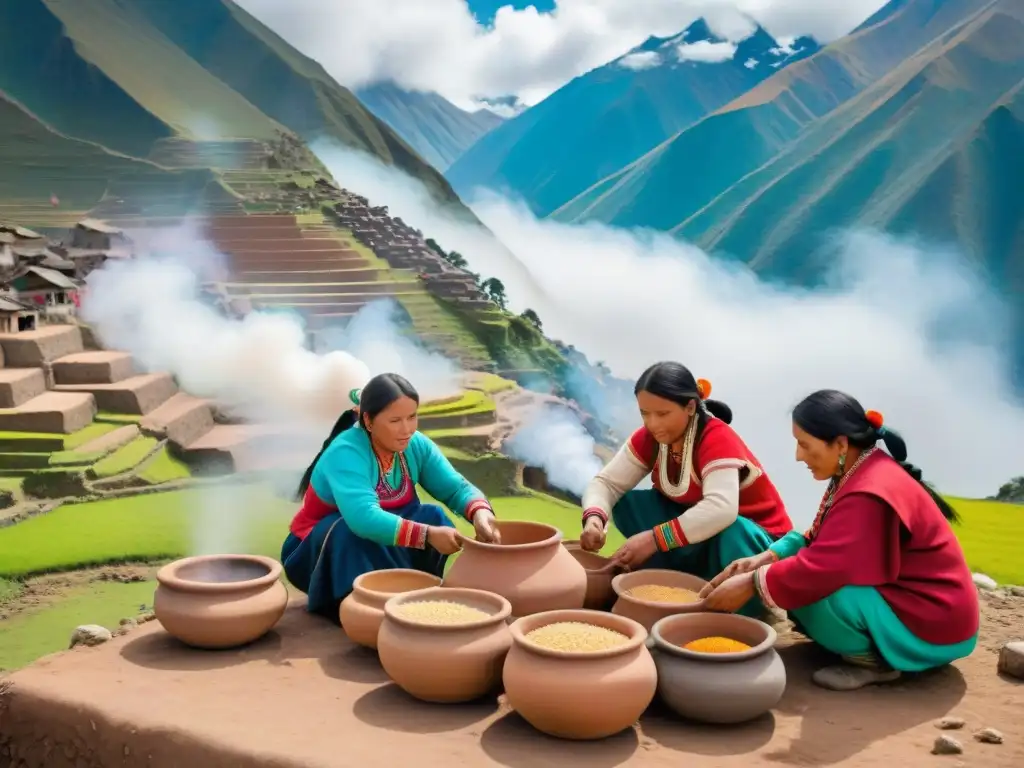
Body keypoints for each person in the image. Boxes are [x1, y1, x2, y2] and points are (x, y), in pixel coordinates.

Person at [700, 389, 980, 691]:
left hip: (935, 626)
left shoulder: (869, 490)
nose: (798, 455)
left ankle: (875, 663)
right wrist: (768, 557)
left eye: (805, 445)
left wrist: (751, 582)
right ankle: (863, 641)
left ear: (841, 443)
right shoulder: (859, 469)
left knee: (815, 593)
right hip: (931, 614)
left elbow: (823, 567)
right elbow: (822, 535)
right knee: (789, 581)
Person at [579, 362, 793, 617]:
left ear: (690, 407)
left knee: (734, 529)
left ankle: (742, 611)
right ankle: (671, 581)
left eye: (663, 413)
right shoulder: (651, 437)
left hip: (753, 543)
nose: (652, 423)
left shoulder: (717, 437)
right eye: (645, 413)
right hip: (703, 534)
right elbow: (607, 483)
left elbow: (721, 509)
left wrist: (653, 539)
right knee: (629, 505)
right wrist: (594, 518)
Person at [281, 373, 501, 621]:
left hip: (380, 540)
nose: (406, 429)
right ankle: (356, 607)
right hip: (317, 551)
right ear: (369, 421)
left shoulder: (416, 446)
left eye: (412, 417)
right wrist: (426, 535)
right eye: (395, 420)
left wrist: (480, 513)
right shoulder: (346, 452)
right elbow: (363, 518)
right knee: (349, 532)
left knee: (434, 516)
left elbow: (455, 488)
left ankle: (410, 595)